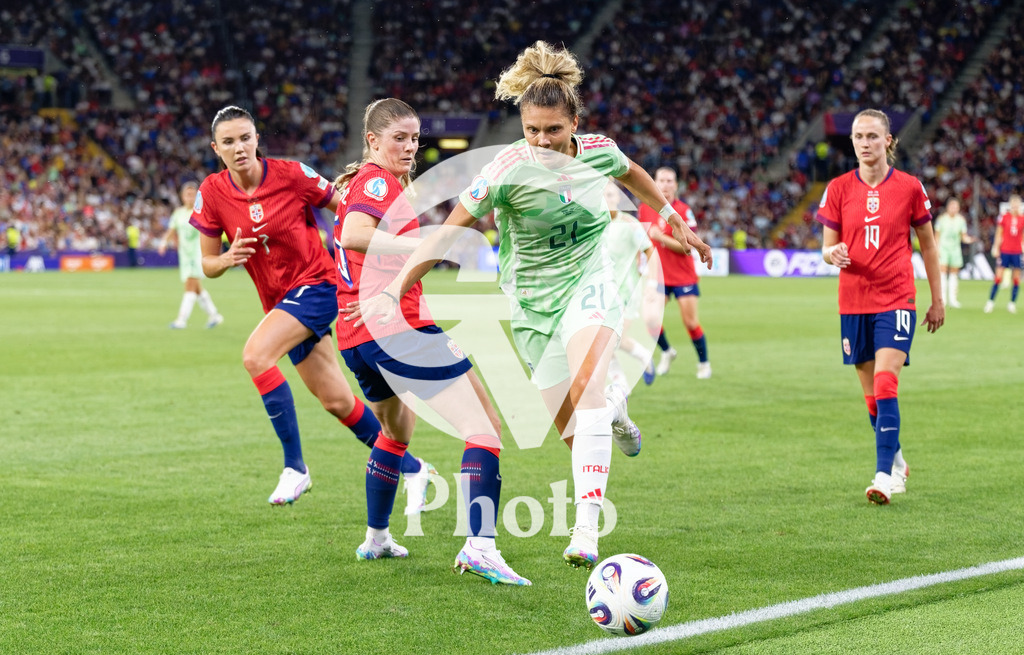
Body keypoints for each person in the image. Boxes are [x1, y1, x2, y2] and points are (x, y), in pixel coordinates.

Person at [350, 42, 712, 568]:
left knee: (586, 382)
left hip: (592, 280)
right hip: (530, 305)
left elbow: (633, 173)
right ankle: (614, 407)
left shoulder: (598, 151)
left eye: (553, 130)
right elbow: (444, 237)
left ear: (574, 124)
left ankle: (586, 533)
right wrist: (392, 286)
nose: (541, 141)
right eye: (531, 130)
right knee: (567, 423)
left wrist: (673, 217)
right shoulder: (504, 170)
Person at [190, 105, 434, 510]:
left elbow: (347, 205)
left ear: (256, 139)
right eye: (229, 142)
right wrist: (229, 257)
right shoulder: (212, 193)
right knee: (337, 402)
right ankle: (413, 468)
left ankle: (294, 468)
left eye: (246, 137)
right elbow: (207, 265)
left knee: (256, 356)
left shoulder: (291, 174)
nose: (240, 147)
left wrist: (374, 249)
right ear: (216, 148)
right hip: (279, 303)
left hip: (318, 286)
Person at [333, 98, 530, 586]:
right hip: (399, 328)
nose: (410, 146)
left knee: (395, 434)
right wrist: (426, 245)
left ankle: (376, 538)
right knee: (485, 427)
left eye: (415, 138)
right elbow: (355, 236)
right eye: (399, 138)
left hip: (356, 337)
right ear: (373, 141)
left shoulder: (379, 185)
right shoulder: (376, 181)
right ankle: (479, 546)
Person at [816, 108, 944, 505]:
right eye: (858, 136)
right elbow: (825, 247)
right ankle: (899, 459)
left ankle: (883, 476)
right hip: (853, 299)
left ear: (888, 141)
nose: (865, 143)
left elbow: (928, 244)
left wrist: (938, 299)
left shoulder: (909, 187)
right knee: (872, 396)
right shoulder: (837, 188)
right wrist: (831, 253)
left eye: (873, 136)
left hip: (896, 296)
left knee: (887, 381)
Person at [639, 167, 712, 379]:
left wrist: (661, 237)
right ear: (654, 183)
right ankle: (667, 352)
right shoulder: (645, 208)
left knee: (690, 322)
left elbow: (688, 248)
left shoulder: (683, 211)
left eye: (670, 181)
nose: (665, 185)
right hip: (658, 276)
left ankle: (703, 363)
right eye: (661, 180)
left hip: (683, 276)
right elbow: (642, 240)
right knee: (650, 320)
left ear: (676, 185)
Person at [603, 181, 661, 388]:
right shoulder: (594, 224)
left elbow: (650, 252)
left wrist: (652, 284)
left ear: (619, 198)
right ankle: (621, 387)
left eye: (611, 195)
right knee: (602, 343)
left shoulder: (630, 224)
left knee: (612, 342)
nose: (607, 199)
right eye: (603, 194)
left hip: (626, 292)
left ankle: (641, 359)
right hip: (601, 294)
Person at [157, 181, 224, 329]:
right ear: (182, 196)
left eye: (193, 194)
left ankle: (181, 320)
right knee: (197, 287)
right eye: (187, 194)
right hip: (185, 255)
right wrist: (163, 243)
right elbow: (171, 230)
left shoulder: (200, 212)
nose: (190, 197)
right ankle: (215, 315)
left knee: (190, 285)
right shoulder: (178, 213)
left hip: (196, 254)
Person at [984, 194, 1023, 314]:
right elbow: (998, 233)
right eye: (1013, 205)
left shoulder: (1022, 219)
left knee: (1016, 279)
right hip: (1005, 250)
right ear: (1010, 205)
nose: (1015, 207)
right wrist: (996, 247)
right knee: (998, 277)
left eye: (1017, 205)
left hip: (1017, 251)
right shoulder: (1004, 217)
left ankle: (1012, 303)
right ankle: (990, 302)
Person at [933, 197, 973, 309]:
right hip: (944, 249)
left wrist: (970, 239)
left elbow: (963, 237)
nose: (954, 209)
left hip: (955, 249)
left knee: (954, 273)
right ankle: (942, 299)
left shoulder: (961, 220)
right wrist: (937, 249)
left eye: (956, 207)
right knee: (943, 273)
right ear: (948, 207)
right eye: (952, 206)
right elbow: (937, 236)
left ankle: (953, 299)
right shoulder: (941, 219)